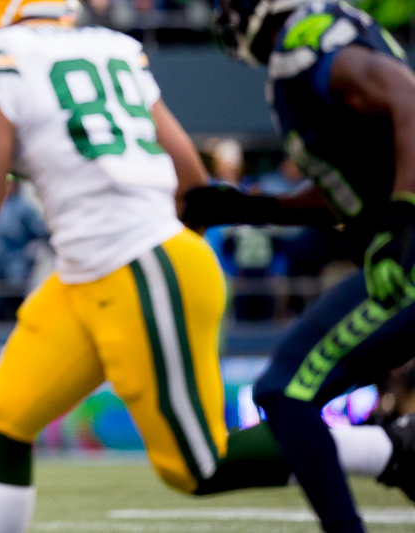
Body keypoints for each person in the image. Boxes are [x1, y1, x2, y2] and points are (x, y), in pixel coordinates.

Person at [0, 1, 412, 532]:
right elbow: (191, 183)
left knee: (197, 467)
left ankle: (390, 447)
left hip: (138, 267)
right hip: (94, 271)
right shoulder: (110, 48)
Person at [182, 1, 415, 531]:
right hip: (401, 249)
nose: (228, 15)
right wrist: (254, 207)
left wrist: (403, 214)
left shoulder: (305, 42)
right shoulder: (304, 55)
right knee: (290, 400)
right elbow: (345, 190)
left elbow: (410, 102)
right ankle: (397, 449)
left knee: (284, 388)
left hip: (408, 254)